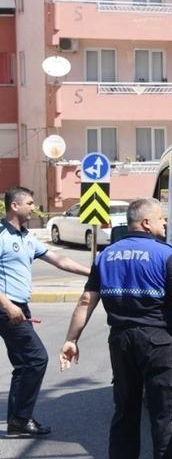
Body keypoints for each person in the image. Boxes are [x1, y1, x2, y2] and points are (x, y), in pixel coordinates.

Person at [59, 198, 172, 459]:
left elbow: (86, 301)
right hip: (159, 342)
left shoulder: (105, 256)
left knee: (125, 411)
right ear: (146, 223)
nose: (164, 222)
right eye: (161, 218)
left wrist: (72, 339)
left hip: (121, 342)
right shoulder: (166, 254)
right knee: (165, 413)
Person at [0, 186, 90, 436]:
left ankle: (18, 420)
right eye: (29, 203)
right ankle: (19, 419)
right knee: (36, 359)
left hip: (19, 307)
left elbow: (59, 260)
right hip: (6, 307)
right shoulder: (1, 235)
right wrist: (8, 305)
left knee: (24, 364)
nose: (34, 207)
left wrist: (92, 272)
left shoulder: (27, 237)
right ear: (14, 206)